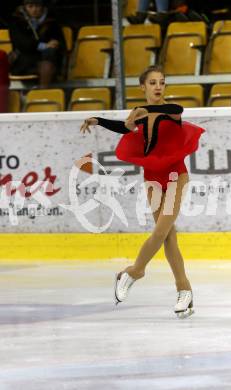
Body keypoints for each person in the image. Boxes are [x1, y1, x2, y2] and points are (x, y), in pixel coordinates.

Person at [80, 65, 205, 319]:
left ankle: (135, 271)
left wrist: (140, 113)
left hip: (174, 175)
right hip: (152, 177)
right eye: (153, 83)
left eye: (162, 82)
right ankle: (185, 291)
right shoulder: (139, 114)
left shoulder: (171, 111)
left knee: (160, 230)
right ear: (143, 86)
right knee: (168, 236)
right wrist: (99, 121)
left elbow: (173, 111)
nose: (158, 87)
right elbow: (126, 129)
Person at [8, 0, 65, 87]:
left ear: (42, 7)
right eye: (30, 6)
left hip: (47, 60)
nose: (34, 10)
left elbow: (59, 41)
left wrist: (55, 43)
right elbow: (22, 43)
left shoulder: (51, 21)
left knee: (49, 60)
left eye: (37, 6)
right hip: (24, 62)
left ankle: (42, 94)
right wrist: (44, 46)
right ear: (24, 7)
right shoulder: (17, 22)